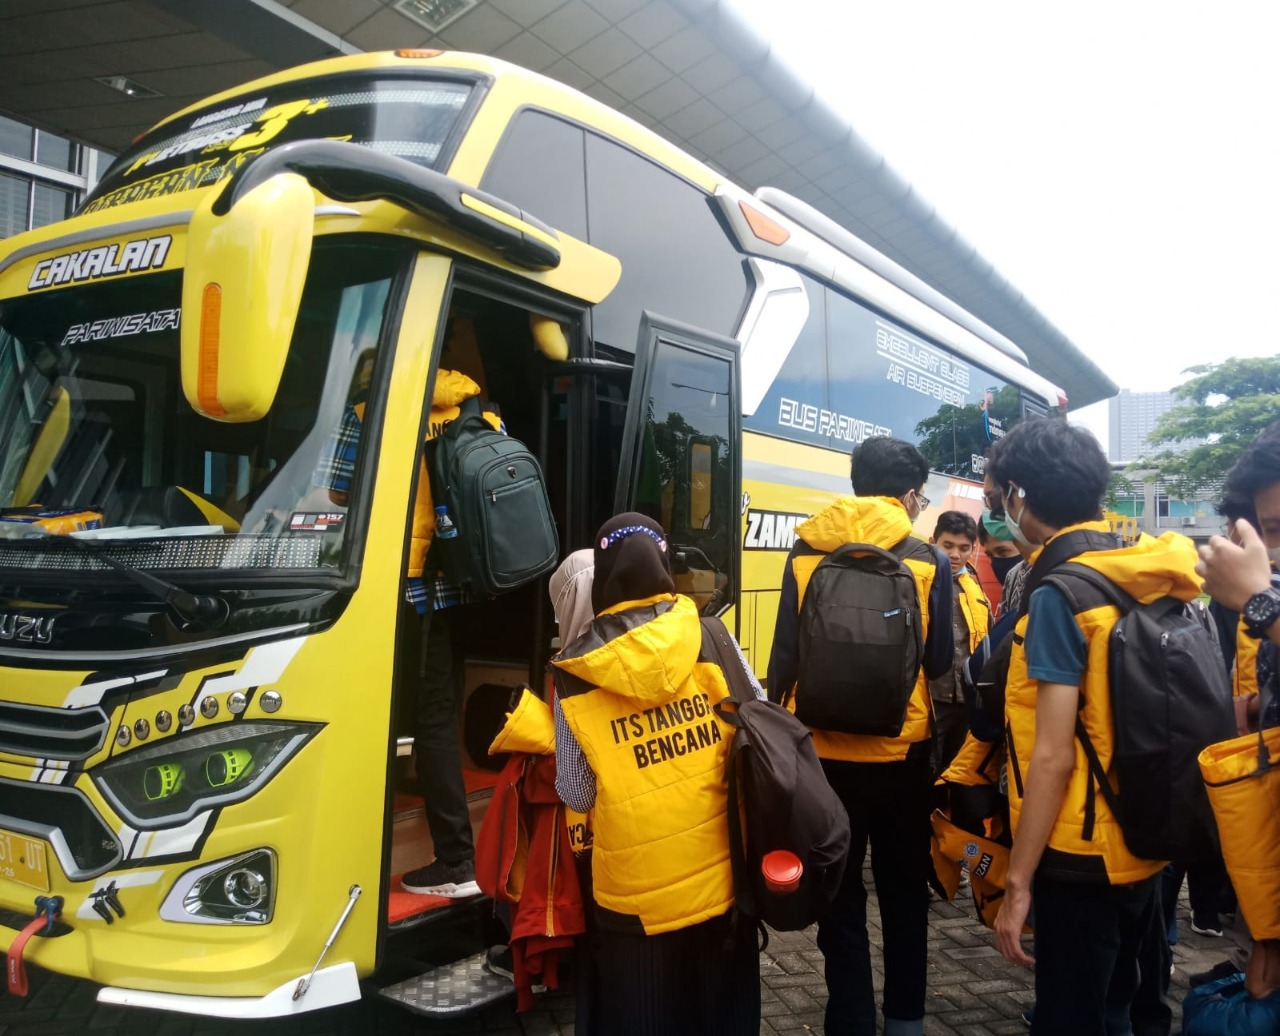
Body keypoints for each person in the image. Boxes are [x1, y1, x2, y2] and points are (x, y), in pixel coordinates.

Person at [987, 417, 1201, 1034]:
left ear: (1019, 496)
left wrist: (1018, 883)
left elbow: (1053, 755)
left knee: (1072, 1015)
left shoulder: (1060, 595)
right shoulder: (1147, 570)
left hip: (1080, 851)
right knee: (1125, 1005)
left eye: (1000, 492)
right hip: (1147, 830)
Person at [550, 513, 762, 1036]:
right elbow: (761, 716)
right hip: (722, 877)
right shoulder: (712, 635)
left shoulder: (575, 673)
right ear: (664, 564)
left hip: (632, 899)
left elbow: (575, 790)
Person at [769, 436, 952, 1036]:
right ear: (907, 494)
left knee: (840, 896)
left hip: (823, 757)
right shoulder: (929, 558)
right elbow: (941, 659)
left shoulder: (805, 551)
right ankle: (905, 1020)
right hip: (903, 750)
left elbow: (784, 661)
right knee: (903, 894)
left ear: (855, 484)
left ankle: (849, 1021)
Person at [311, 353, 504, 898]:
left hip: (396, 585)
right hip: (457, 580)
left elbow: (338, 492)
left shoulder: (366, 411)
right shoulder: (476, 409)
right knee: (438, 714)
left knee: (385, 714)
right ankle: (454, 855)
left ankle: (454, 861)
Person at [929, 509, 991, 776]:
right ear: (933, 542)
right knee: (926, 769)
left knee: (958, 771)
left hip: (967, 699)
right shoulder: (922, 582)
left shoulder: (974, 587)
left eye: (964, 548)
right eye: (948, 546)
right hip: (930, 698)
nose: (955, 555)